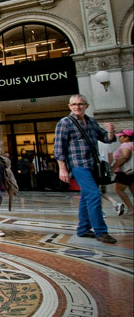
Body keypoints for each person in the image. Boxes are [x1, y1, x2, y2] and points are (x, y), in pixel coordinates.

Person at [54, 94, 117, 243]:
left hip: (93, 164)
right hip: (78, 164)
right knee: (94, 195)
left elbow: (106, 138)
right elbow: (58, 147)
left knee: (86, 196)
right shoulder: (65, 123)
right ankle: (101, 231)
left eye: (80, 104)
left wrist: (111, 131)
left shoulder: (91, 122)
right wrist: (62, 168)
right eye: (74, 104)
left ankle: (83, 229)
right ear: (69, 106)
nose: (77, 106)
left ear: (86, 106)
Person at [110, 129, 133, 215]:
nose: (119, 138)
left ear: (127, 137)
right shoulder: (132, 144)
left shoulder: (125, 145)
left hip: (124, 172)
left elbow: (125, 157)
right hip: (131, 171)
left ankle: (131, 208)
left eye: (121, 136)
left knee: (118, 189)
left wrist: (114, 167)